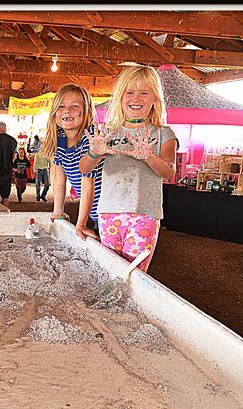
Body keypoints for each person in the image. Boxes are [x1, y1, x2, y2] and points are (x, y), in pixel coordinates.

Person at [80, 65, 177, 272]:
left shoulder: (164, 134)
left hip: (145, 214)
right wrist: (94, 152)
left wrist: (149, 156)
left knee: (133, 273)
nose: (136, 98)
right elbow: (84, 167)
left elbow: (169, 172)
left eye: (144, 93)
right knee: (108, 270)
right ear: (120, 98)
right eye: (129, 92)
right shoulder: (107, 132)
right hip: (108, 213)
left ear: (155, 100)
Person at [41, 83, 103, 240]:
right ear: (54, 113)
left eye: (74, 106)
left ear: (86, 111)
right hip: (95, 212)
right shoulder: (59, 139)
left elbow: (87, 185)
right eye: (61, 106)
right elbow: (59, 180)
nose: (67, 111)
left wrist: (81, 224)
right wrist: (57, 211)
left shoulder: (90, 138)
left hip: (107, 210)